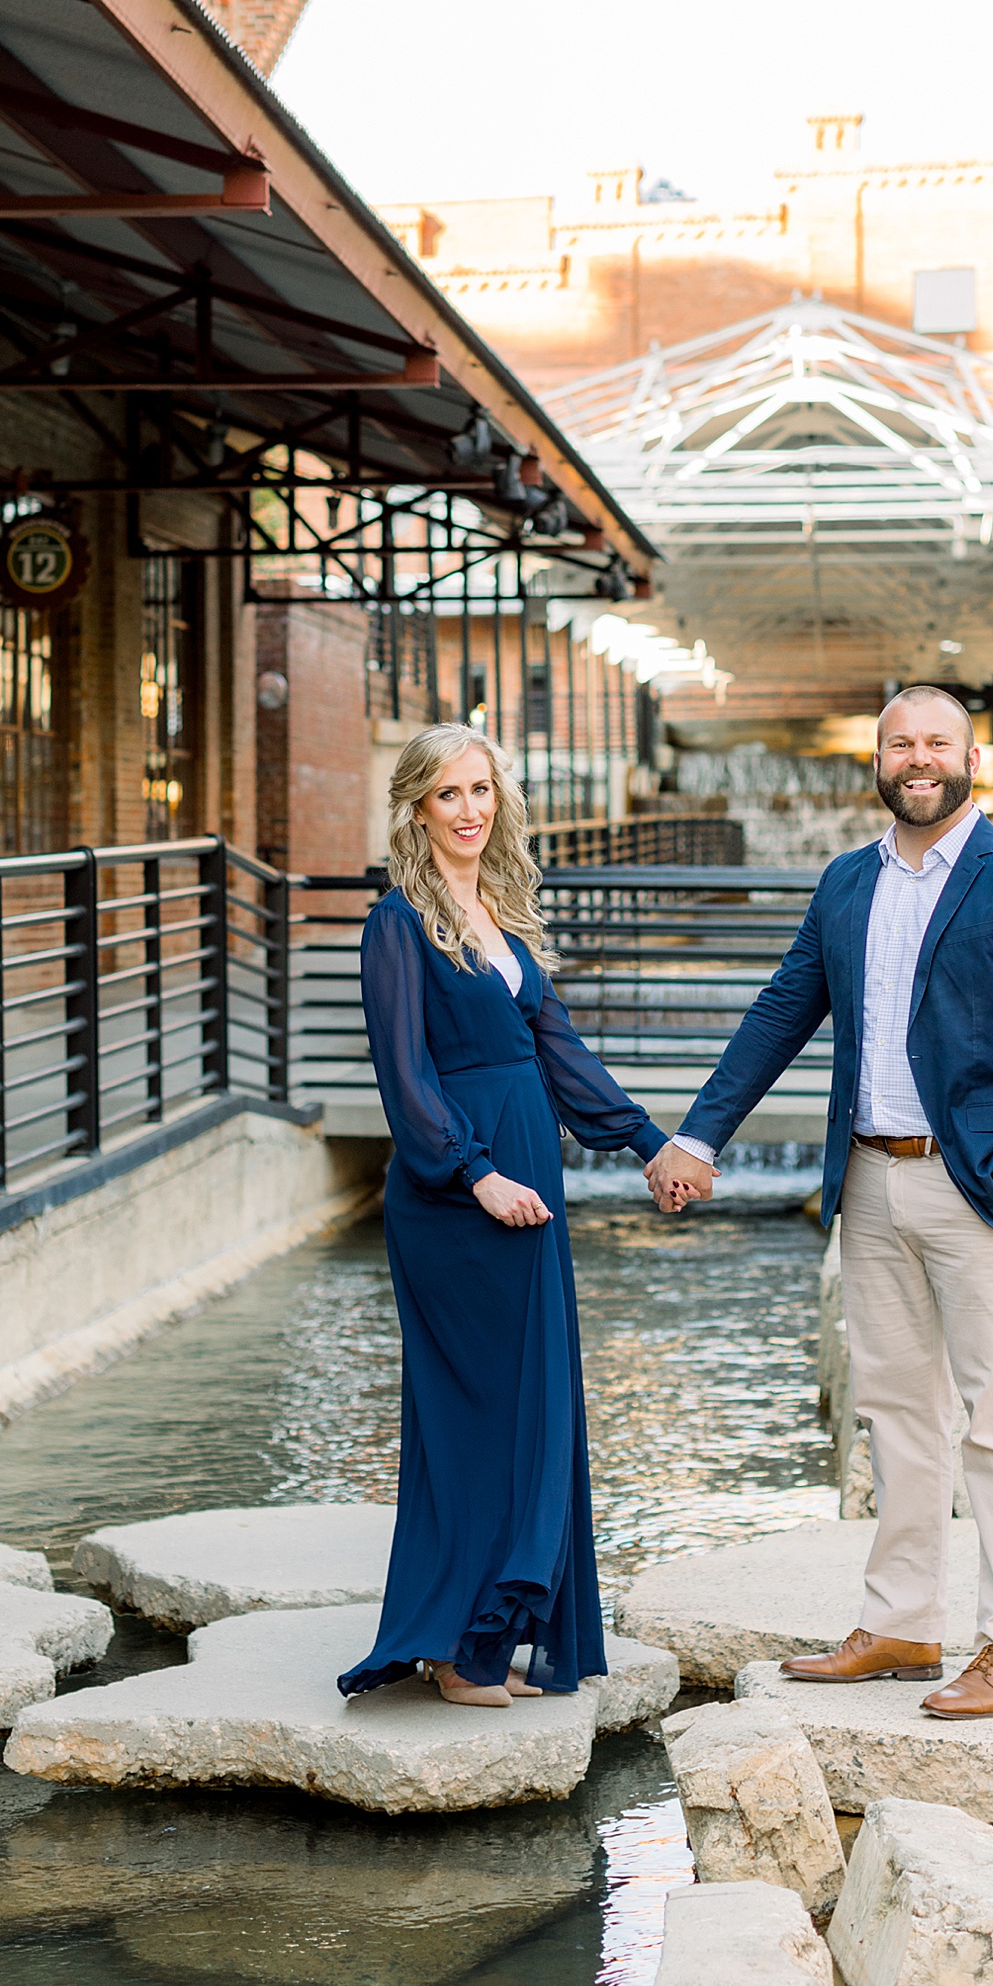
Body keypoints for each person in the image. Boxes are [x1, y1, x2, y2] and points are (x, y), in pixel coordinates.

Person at [645, 687, 993, 1718]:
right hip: (866, 1173)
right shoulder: (848, 881)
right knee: (896, 1411)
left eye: (938, 741)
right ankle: (902, 1620)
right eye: (901, 742)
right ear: (881, 758)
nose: (919, 757)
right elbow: (780, 1010)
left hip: (975, 1184)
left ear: (972, 756)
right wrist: (697, 1131)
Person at [340, 723, 673, 1710]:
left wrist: (648, 1140)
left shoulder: (503, 912)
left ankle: (497, 1631)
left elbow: (559, 1050)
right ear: (415, 807)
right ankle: (454, 1647)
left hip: (533, 1180)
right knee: (473, 1418)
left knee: (535, 1410)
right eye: (449, 793)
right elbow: (405, 1077)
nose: (471, 809)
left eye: (482, 789)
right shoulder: (398, 922)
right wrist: (476, 1171)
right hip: (458, 1197)